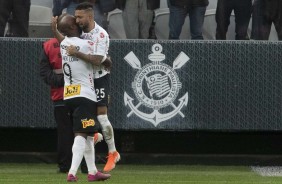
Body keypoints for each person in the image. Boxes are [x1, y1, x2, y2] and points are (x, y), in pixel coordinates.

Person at [57, 14, 111, 181]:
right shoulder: (86, 44)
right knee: (81, 133)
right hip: (84, 94)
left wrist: (54, 29)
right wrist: (107, 60)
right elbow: (102, 61)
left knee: (88, 133)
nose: (79, 22)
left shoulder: (64, 44)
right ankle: (72, 172)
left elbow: (62, 36)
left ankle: (93, 172)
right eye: (76, 21)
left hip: (69, 94)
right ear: (73, 28)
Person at [40, 38, 103, 174]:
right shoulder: (86, 42)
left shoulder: (49, 45)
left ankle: (65, 167)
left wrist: (62, 81)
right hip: (82, 95)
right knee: (87, 131)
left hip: (61, 95)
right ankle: (87, 167)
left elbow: (44, 72)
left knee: (65, 133)